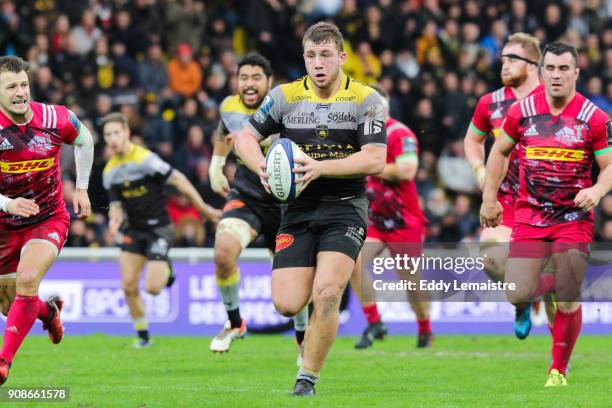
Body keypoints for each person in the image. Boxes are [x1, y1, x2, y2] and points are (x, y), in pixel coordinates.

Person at [234, 22, 387, 396]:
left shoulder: (367, 99)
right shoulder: (284, 96)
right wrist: (262, 168)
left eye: (326, 55)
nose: (318, 63)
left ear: (342, 57)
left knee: (328, 292)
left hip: (345, 206)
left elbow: (374, 159)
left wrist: (320, 168)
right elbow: (245, 137)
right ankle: (304, 339)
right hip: (297, 209)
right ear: (304, 57)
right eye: (311, 56)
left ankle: (307, 379)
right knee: (286, 304)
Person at [480, 42, 612, 387]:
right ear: (541, 72)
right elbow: (499, 152)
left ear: (576, 73)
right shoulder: (521, 111)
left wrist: (597, 190)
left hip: (572, 218)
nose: (556, 75)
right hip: (529, 215)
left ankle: (558, 370)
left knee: (567, 297)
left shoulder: (594, 117)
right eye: (550, 68)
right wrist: (489, 198)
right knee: (516, 292)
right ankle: (544, 293)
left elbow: (609, 165)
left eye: (563, 69)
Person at [208, 52, 309, 362]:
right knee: (223, 253)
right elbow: (224, 131)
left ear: (269, 82)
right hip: (248, 193)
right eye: (243, 78)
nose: (248, 84)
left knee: (292, 282)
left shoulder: (287, 107)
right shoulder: (229, 105)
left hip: (286, 203)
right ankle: (236, 323)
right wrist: (216, 162)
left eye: (255, 78)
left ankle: (303, 341)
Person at [0, 56, 94, 384]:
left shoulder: (54, 117)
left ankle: (3, 363)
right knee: (11, 304)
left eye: (23, 84)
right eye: (11, 86)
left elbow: (85, 140)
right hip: (3, 225)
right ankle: (48, 311)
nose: (19, 92)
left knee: (27, 279)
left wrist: (81, 187)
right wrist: (7, 203)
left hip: (47, 218)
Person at [464, 33, 555, 338]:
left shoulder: (554, 98)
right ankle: (522, 301)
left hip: (548, 203)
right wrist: (479, 170)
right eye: (501, 59)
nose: (503, 65)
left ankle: (560, 362)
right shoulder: (490, 103)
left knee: (557, 286)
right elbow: (472, 140)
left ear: (533, 64)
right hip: (506, 201)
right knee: (491, 255)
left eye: (511, 59)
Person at [101, 112, 220, 348]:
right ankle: (144, 336)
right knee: (128, 285)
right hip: (133, 229)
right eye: (108, 135)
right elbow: (115, 204)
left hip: (159, 228)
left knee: (153, 288)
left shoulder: (146, 160)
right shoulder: (110, 172)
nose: (113, 138)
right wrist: (114, 219)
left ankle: (167, 267)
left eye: (116, 132)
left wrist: (203, 208)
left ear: (126, 133)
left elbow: (180, 182)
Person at [349, 86, 432, 349]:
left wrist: (367, 164)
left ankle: (424, 328)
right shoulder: (357, 136)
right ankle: (374, 322)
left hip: (403, 219)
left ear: (386, 109)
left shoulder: (400, 133)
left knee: (410, 279)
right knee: (352, 260)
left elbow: (408, 170)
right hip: (375, 220)